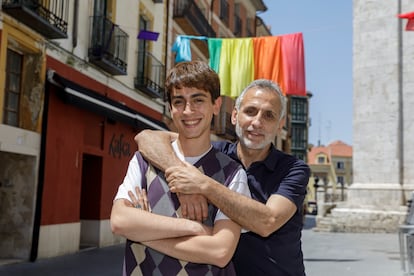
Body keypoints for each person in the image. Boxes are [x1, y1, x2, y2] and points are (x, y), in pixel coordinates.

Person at [135, 79, 311, 276]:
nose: (257, 122)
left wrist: (203, 185)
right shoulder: (214, 154)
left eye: (269, 115)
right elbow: (147, 137)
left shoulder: (293, 169)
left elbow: (267, 221)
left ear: (280, 125)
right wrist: (182, 176)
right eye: (250, 111)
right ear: (235, 116)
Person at [110, 61, 250, 275]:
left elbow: (220, 252)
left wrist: (142, 231)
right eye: (179, 101)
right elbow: (120, 221)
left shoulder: (232, 174)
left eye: (198, 100)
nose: (188, 111)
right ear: (170, 109)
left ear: (216, 105)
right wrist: (195, 228)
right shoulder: (142, 161)